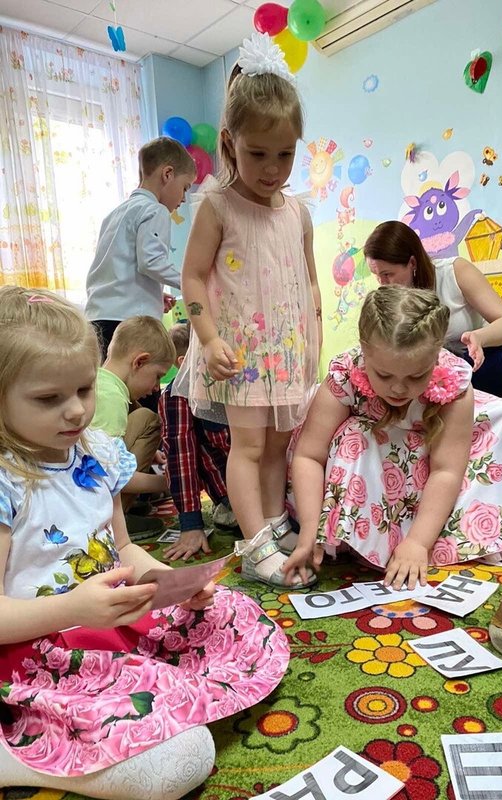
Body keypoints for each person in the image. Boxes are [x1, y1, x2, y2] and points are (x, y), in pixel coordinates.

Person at [0, 286, 289, 800]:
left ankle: (117, 715)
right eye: (49, 399)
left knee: (232, 614)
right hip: (34, 655)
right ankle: (19, 750)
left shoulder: (95, 454)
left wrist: (172, 584)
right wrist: (73, 608)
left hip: (106, 624)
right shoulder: (7, 480)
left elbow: (123, 548)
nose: (76, 411)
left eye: (85, 389)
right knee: (183, 757)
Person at [284, 286, 502, 590]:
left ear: (436, 356)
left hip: (441, 446)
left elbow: (446, 470)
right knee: (354, 437)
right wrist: (309, 530)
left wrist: (418, 543)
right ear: (364, 350)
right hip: (382, 450)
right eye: (384, 375)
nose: (399, 389)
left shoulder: (453, 383)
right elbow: (310, 455)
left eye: (416, 376)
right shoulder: (345, 374)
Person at [175, 33, 321, 589]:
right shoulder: (217, 205)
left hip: (285, 352)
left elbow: (309, 281)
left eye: (285, 154)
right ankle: (256, 545)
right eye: (258, 153)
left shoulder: (298, 212)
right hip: (238, 352)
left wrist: (311, 340)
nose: (272, 168)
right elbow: (192, 276)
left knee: (280, 444)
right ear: (230, 143)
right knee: (250, 445)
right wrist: (209, 338)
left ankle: (275, 523)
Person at [364, 220, 502, 400]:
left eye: (387, 274)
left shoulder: (455, 271)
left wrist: (479, 337)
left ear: (412, 263)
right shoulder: (391, 297)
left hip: (481, 367)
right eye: (376, 276)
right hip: (431, 376)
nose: (382, 284)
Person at [85, 136, 196, 359]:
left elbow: (118, 267)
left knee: (108, 379)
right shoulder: (155, 210)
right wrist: (190, 281)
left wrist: (153, 293)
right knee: (140, 379)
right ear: (167, 174)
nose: (184, 198)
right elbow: (151, 262)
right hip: (130, 323)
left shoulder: (115, 213)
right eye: (184, 188)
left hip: (98, 317)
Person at [159, 321, 237, 562]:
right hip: (231, 491)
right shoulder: (178, 395)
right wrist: (191, 523)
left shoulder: (247, 382)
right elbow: (180, 457)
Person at [90, 316, 174, 535]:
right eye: (157, 376)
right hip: (93, 502)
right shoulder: (111, 399)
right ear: (139, 362)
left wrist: (151, 453)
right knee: (148, 419)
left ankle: (125, 508)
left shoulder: (102, 382)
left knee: (143, 417)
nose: (156, 387)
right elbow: (110, 474)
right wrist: (169, 482)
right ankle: (117, 519)